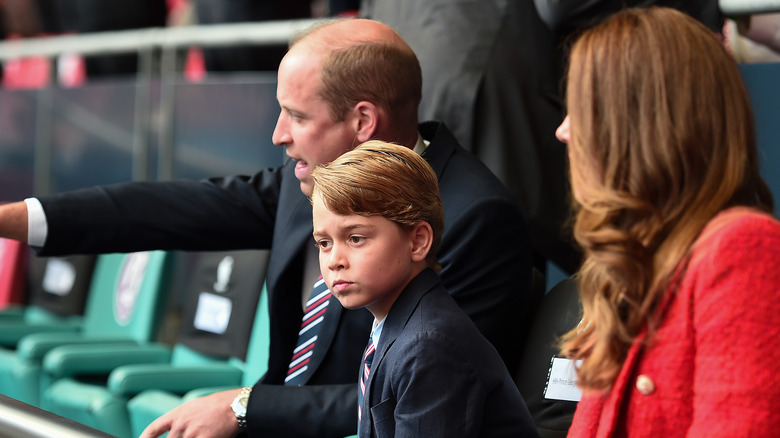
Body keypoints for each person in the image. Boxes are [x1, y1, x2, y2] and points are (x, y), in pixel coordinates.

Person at [0, 18, 535, 438]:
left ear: (363, 123)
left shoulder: (474, 218)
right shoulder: (309, 177)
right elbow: (168, 209)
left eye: (297, 116)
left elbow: (431, 390)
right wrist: (12, 219)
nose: (278, 135)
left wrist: (245, 407)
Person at [555, 7, 780, 436]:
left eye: (580, 108)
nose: (563, 131)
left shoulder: (743, 248)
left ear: (641, 125)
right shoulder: (633, 270)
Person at [310, 140, 538, 437]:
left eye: (356, 238)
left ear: (418, 241)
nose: (334, 261)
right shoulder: (397, 325)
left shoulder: (428, 345)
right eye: (324, 243)